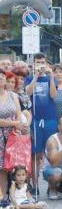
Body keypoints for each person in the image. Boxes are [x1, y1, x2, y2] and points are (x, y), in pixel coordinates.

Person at [25, 53, 58, 168]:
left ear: (46, 64)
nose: (40, 65)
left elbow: (54, 95)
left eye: (43, 62)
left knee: (50, 149)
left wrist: (52, 78)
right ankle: (35, 183)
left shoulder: (50, 79)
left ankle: (50, 179)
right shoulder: (29, 78)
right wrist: (36, 77)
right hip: (35, 119)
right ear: (34, 64)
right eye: (38, 62)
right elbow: (27, 93)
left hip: (50, 118)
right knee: (36, 152)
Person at [0, 71, 24, 201]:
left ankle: (15, 196)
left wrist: (17, 126)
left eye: (3, 77)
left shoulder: (13, 95)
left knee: (12, 166)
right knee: (1, 168)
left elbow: (19, 114)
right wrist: (15, 123)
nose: (1, 79)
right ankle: (2, 197)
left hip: (12, 134)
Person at [42, 116, 62, 199]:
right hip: (52, 169)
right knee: (57, 174)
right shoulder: (52, 140)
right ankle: (52, 189)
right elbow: (54, 164)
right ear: (59, 127)